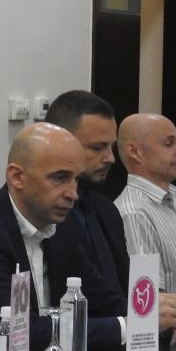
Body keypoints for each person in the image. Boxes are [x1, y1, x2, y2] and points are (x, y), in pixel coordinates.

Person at [0, 123, 127, 351]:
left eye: (76, 179)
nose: (73, 194)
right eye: (60, 178)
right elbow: (24, 333)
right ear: (17, 176)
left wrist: (146, 317)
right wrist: (125, 327)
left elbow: (102, 300)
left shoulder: (59, 224)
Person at [114, 113, 176, 329]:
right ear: (135, 152)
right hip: (167, 338)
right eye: (169, 143)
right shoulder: (134, 213)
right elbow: (150, 304)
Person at [43, 90, 130, 296]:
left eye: (111, 147)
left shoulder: (106, 210)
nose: (110, 158)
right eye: (98, 148)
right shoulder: (43, 214)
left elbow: (119, 290)